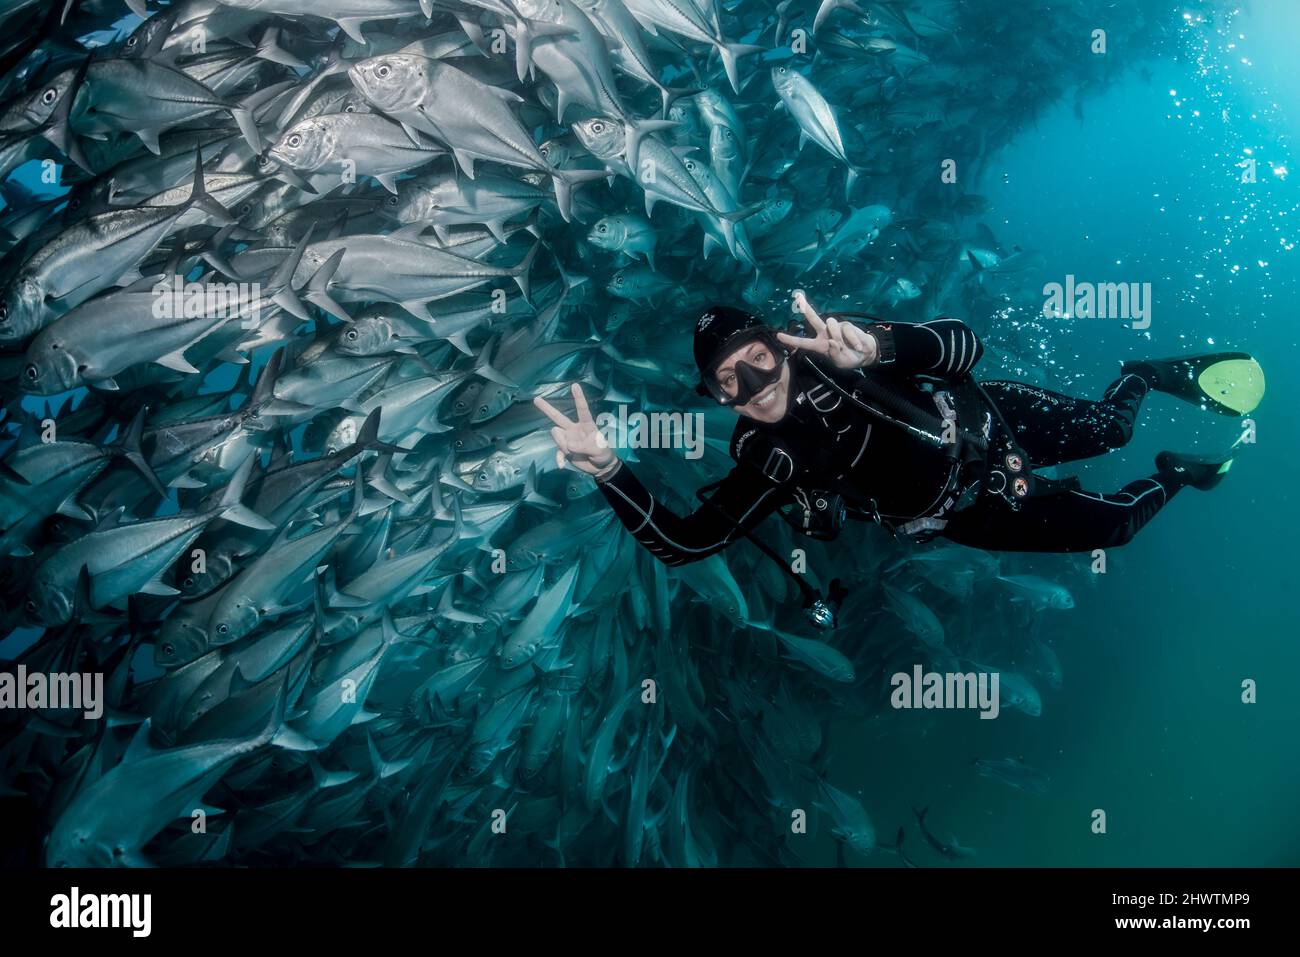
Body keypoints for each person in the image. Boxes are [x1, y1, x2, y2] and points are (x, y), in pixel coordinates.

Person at [534, 291, 1263, 569]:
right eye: (730, 382)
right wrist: (609, 470)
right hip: (963, 513)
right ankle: (1174, 472)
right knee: (1121, 528)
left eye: (758, 359)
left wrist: (883, 348)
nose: (754, 386)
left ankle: (1145, 371)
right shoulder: (765, 458)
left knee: (1109, 427)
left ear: (779, 342)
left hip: (991, 420)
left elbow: (966, 347)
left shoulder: (838, 350)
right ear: (718, 399)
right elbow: (685, 543)